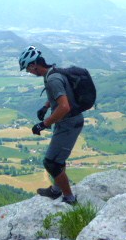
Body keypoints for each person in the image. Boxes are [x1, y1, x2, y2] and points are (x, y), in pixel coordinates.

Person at [19, 45, 84, 205]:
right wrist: (46, 106)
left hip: (69, 124)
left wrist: (44, 124)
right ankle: (56, 190)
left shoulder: (52, 79)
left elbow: (64, 106)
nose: (29, 72)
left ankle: (69, 198)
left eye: (28, 69)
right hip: (68, 123)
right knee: (58, 160)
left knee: (51, 163)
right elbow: (60, 95)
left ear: (34, 65)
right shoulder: (53, 72)